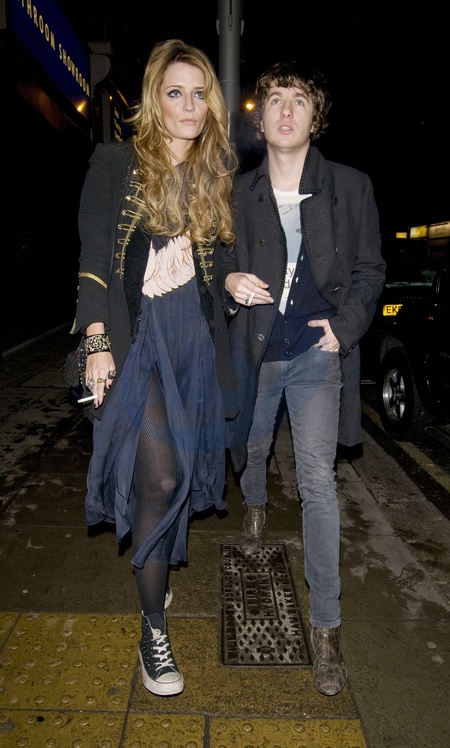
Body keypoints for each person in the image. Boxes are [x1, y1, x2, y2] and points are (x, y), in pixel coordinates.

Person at [71, 39, 238, 697]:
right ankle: (153, 631)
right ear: (154, 100)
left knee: (168, 487)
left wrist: (233, 282)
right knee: (162, 475)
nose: (189, 105)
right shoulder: (115, 163)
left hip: (193, 347)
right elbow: (92, 260)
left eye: (199, 93)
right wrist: (95, 341)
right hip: (137, 343)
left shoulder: (213, 175)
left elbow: (220, 266)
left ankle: (156, 570)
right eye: (175, 92)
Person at [220, 61, 386, 696]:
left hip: (319, 350)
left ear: (316, 118)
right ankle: (256, 505)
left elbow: (370, 269)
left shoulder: (350, 186)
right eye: (274, 100)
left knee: (318, 480)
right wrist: (229, 278)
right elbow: (217, 258)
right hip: (259, 348)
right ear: (259, 119)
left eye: (298, 101)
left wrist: (345, 328)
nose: (285, 110)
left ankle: (326, 630)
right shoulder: (239, 193)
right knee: (253, 444)